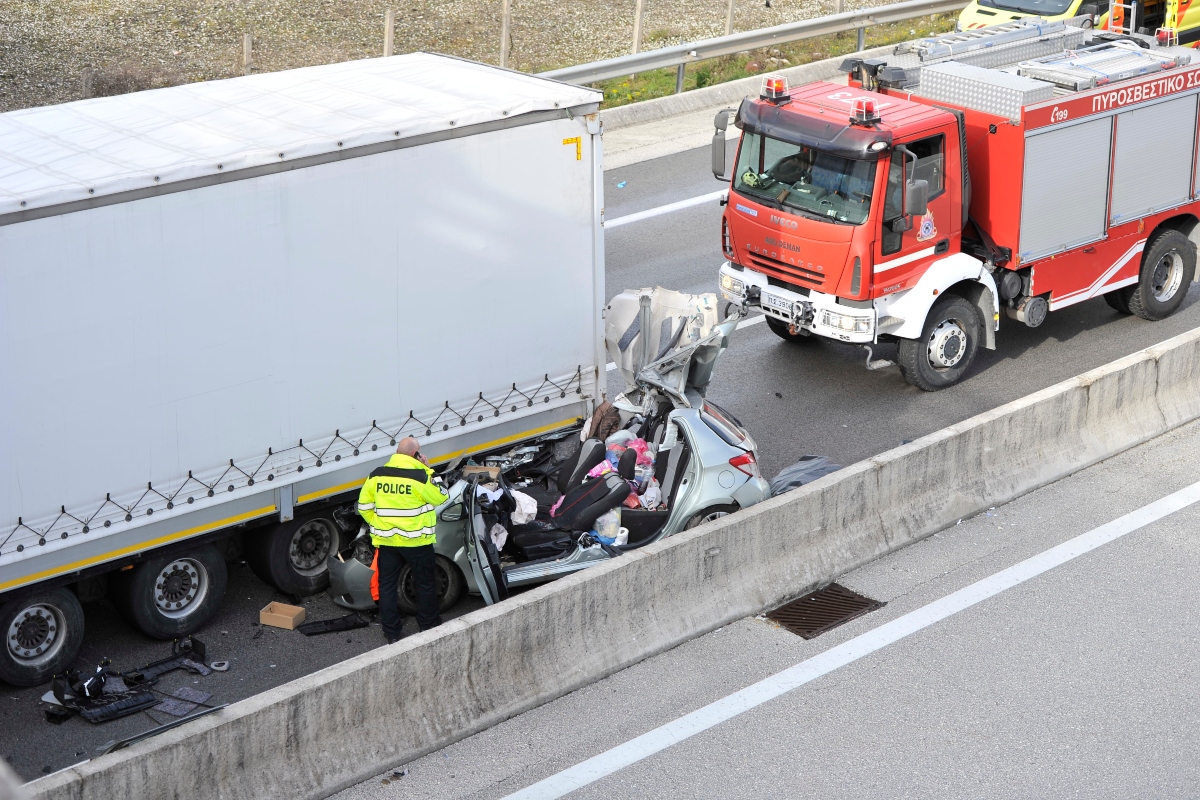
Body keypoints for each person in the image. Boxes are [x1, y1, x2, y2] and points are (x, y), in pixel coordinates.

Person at [357, 437, 449, 643]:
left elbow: (363, 506)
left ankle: (391, 632)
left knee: (387, 585)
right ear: (415, 454)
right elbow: (442, 496)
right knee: (425, 583)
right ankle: (428, 624)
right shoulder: (421, 476)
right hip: (417, 542)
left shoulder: (377, 475)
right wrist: (430, 469)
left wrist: (380, 525)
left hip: (388, 542)